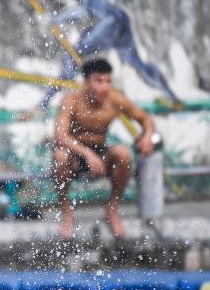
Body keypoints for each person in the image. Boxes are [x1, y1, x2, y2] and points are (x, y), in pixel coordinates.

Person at [5, 0, 182, 111]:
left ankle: (43, 104)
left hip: (109, 24)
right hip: (120, 19)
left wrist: (55, 18)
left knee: (72, 56)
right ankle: (173, 99)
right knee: (137, 64)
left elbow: (85, 12)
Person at [52, 57, 156, 239]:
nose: (105, 87)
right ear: (86, 82)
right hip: (75, 155)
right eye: (99, 81)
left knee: (123, 153)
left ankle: (112, 210)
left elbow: (145, 119)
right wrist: (87, 154)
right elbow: (60, 135)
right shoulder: (71, 101)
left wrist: (147, 137)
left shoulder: (114, 99)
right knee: (60, 156)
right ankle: (67, 213)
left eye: (108, 81)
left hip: (100, 154)